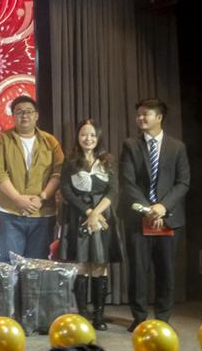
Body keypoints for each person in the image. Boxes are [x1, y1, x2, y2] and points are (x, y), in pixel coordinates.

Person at [120, 98, 190, 332]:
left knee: (166, 271)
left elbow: (183, 182)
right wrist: (149, 209)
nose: (141, 118)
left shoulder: (177, 147)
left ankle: (162, 318)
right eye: (139, 114)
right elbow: (127, 182)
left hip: (168, 218)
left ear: (159, 117)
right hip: (138, 218)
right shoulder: (130, 145)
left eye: (146, 114)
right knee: (138, 271)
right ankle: (139, 318)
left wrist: (162, 207)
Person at [60, 119, 123, 331]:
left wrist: (97, 213)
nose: (88, 139)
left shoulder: (108, 161)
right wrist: (88, 212)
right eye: (84, 134)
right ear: (78, 137)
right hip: (78, 215)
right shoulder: (70, 161)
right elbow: (66, 191)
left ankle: (99, 315)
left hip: (103, 216)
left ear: (99, 138)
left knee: (99, 264)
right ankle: (83, 314)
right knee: (81, 264)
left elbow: (113, 190)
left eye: (93, 135)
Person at [0, 95, 64, 262]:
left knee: (38, 265)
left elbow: (58, 172)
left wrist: (42, 197)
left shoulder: (50, 142)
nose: (24, 115)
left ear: (36, 115)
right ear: (13, 116)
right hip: (9, 213)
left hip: (42, 213)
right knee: (10, 264)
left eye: (29, 111)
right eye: (19, 112)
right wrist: (17, 199)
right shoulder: (2, 140)